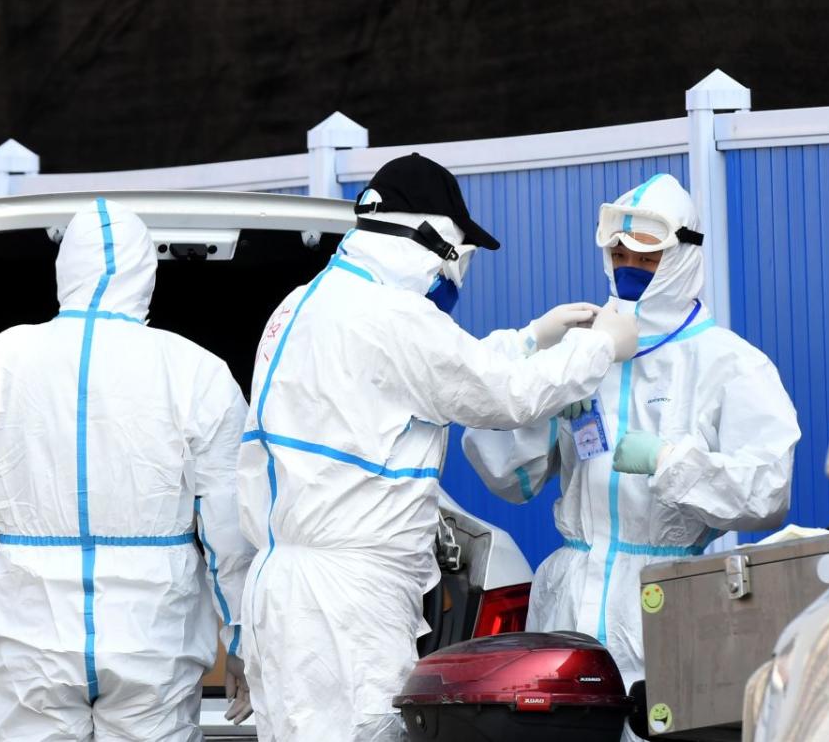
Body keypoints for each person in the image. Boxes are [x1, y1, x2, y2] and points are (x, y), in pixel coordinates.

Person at [234, 153, 639, 741]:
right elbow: (505, 397)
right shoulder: (392, 315)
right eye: (463, 256)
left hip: (279, 585)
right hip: (350, 597)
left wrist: (530, 338)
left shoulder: (303, 304)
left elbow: (436, 374)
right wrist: (598, 347)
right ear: (434, 241)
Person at [462, 173, 801, 741]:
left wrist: (670, 460)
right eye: (617, 252)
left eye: (644, 256)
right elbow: (508, 477)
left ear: (682, 256)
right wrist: (541, 395)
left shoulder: (728, 364)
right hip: (569, 602)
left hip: (664, 604)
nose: (627, 266)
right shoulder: (587, 347)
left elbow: (768, 489)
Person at [0, 198, 254, 741]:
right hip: (151, 630)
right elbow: (230, 523)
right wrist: (244, 640)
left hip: (31, 624)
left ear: (64, 270)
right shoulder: (195, 369)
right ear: (147, 273)